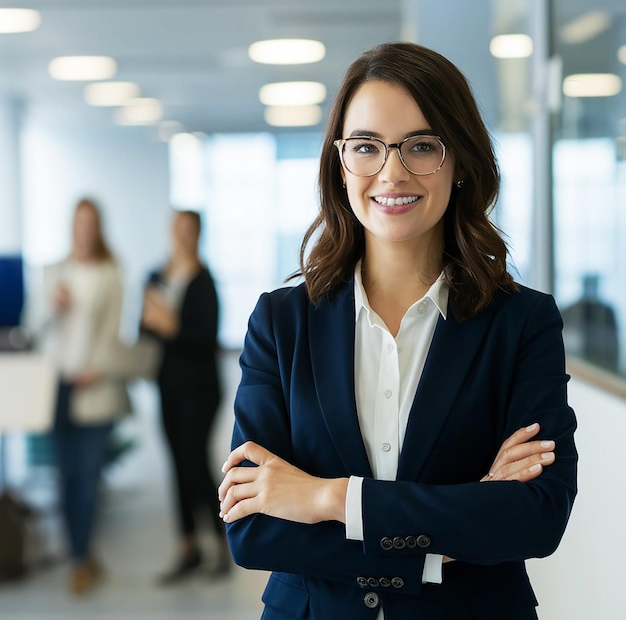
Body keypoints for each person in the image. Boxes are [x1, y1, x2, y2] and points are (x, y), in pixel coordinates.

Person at [218, 42, 578, 619]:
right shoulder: (282, 322)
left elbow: (535, 517)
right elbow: (253, 529)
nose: (392, 172)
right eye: (366, 147)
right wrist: (449, 537)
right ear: (340, 164)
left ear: (459, 160)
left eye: (421, 146)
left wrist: (327, 498)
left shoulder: (521, 322)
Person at [40, 198, 130, 595]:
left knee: (88, 479)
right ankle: (80, 553)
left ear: (99, 228)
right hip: (57, 390)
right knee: (64, 477)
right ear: (71, 227)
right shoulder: (54, 273)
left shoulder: (110, 273)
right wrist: (51, 307)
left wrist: (98, 367)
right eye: (79, 223)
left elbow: (113, 332)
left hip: (96, 389)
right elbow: (34, 329)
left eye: (91, 223)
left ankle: (80, 557)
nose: (84, 230)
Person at [140, 210, 229, 585]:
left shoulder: (205, 281)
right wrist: (155, 324)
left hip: (201, 389)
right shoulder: (156, 277)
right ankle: (188, 547)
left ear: (198, 235)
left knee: (195, 465)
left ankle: (223, 547)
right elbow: (143, 330)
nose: (181, 236)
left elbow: (207, 338)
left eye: (188, 230)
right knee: (177, 467)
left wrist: (171, 326)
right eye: (175, 228)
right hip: (167, 386)